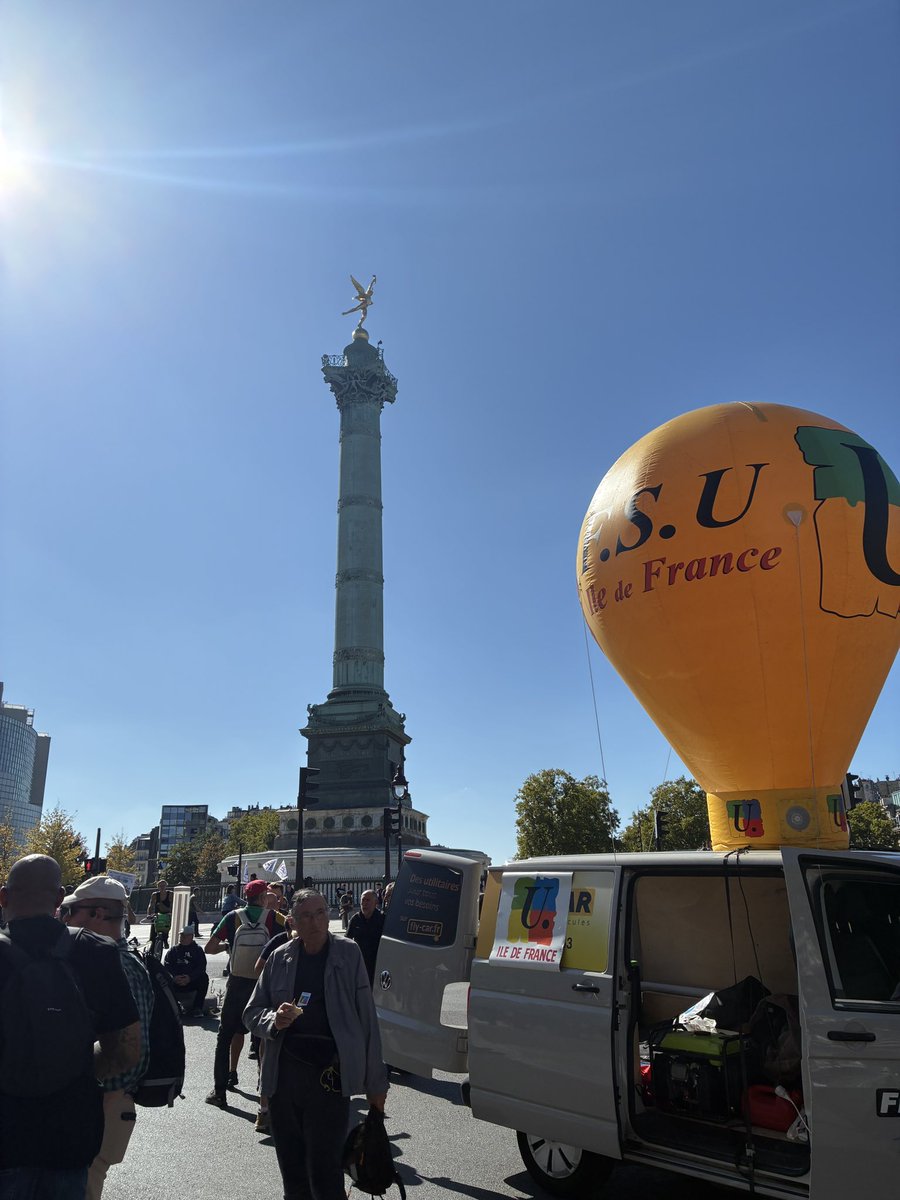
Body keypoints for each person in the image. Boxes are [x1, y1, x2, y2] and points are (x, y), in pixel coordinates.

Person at [0, 855, 140, 1200]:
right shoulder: (97, 952)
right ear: (60, 897)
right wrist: (74, 1064)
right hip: (70, 1132)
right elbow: (127, 1050)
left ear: (3, 897)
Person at [244, 890, 388, 1200]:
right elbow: (252, 1013)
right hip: (285, 1081)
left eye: (321, 913)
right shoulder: (279, 958)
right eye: (307, 916)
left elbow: (368, 1021)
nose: (315, 922)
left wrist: (377, 1085)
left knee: (325, 1175)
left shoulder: (349, 954)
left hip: (329, 1081)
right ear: (293, 921)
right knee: (293, 1176)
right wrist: (273, 1019)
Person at [62, 876, 154, 1200]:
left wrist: (88, 1086)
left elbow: (132, 1052)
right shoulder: (112, 958)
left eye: (71, 909)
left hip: (105, 1104)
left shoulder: (116, 963)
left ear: (98, 914)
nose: (65, 917)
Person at [204, 878, 284, 1107]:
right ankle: (265, 1096)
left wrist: (228, 946)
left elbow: (209, 947)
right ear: (261, 898)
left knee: (224, 1037)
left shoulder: (233, 917)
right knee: (263, 1041)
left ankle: (219, 1092)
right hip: (261, 985)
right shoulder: (272, 917)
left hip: (236, 984)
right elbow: (292, 933)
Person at [164, 925, 209, 1016]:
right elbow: (167, 965)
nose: (183, 938)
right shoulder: (173, 950)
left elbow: (201, 967)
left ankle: (197, 1008)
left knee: (204, 978)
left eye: (185, 936)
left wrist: (190, 978)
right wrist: (174, 977)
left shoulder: (198, 950)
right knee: (163, 979)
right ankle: (174, 1007)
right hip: (176, 980)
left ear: (191, 936)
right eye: (181, 935)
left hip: (191, 980)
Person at [346, 889, 385, 986]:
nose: (364, 903)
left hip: (378, 964)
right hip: (360, 964)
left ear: (375, 902)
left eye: (368, 900)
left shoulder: (382, 919)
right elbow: (347, 940)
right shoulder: (355, 919)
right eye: (363, 900)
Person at [147, 878, 173, 951]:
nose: (162, 887)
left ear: (166, 886)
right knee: (154, 930)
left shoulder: (170, 894)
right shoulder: (155, 895)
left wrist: (171, 913)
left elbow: (172, 904)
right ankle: (151, 947)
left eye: (163, 886)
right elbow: (150, 905)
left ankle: (165, 940)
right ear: (158, 887)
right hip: (157, 914)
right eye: (160, 886)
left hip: (167, 913)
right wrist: (149, 914)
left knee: (166, 928)